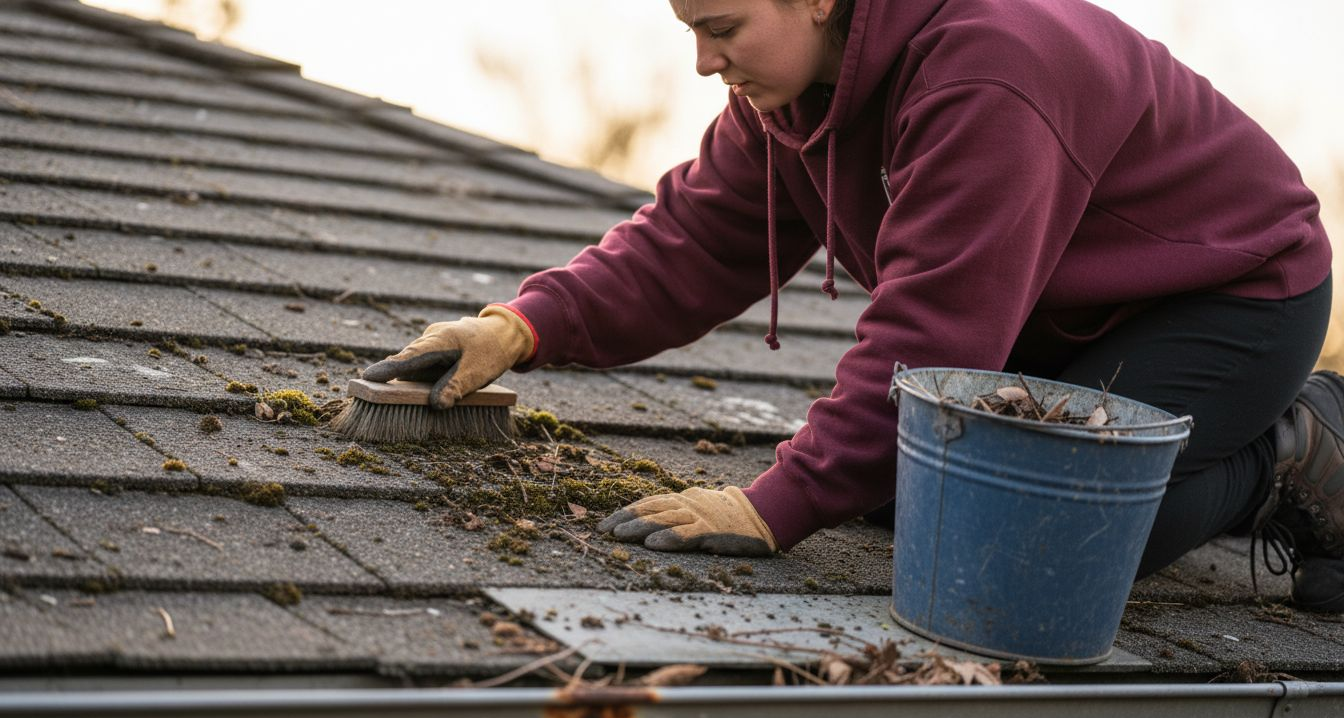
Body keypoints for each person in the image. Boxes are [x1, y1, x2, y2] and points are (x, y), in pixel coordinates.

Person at [363, 0, 1341, 610]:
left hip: (1228, 292)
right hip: (1053, 311)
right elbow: (693, 242)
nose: (704, 62)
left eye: (722, 28)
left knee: (1036, 553)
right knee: (896, 492)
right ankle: (1182, 454)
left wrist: (771, 507)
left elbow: (935, 333)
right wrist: (519, 326)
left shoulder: (990, 71)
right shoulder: (790, 103)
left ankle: (1292, 447)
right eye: (689, 29)